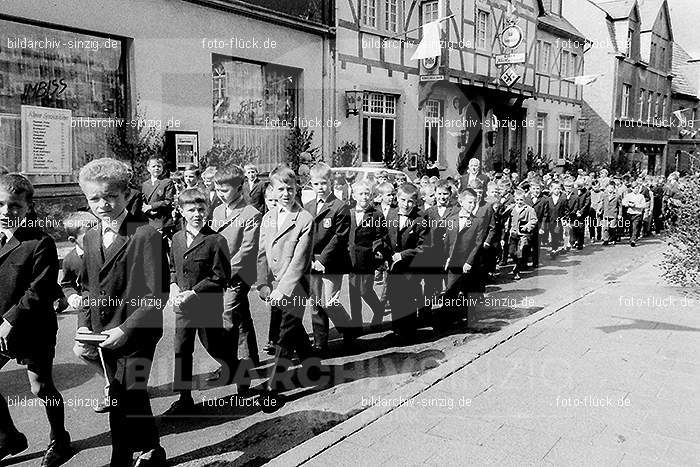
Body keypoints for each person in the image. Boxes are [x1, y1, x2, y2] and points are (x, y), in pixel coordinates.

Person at [77, 158, 168, 466]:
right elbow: (90, 288)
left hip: (137, 331)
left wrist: (125, 330)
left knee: (120, 395)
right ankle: (152, 449)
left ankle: (121, 458)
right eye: (95, 199)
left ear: (127, 195)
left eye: (111, 197)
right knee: (131, 394)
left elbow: (158, 295)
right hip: (104, 331)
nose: (103, 204)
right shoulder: (90, 237)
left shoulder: (145, 234)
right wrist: (83, 331)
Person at [0, 174, 72, 467]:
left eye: (15, 205)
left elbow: (39, 288)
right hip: (0, 326)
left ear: (28, 207)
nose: (6, 211)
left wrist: (10, 320)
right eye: (1, 204)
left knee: (40, 387)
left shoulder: (40, 242)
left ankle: (60, 439)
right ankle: (9, 437)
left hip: (31, 327)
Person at [167, 188, 234, 415]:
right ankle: (184, 397)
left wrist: (193, 293)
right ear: (181, 211)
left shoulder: (215, 240)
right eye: (191, 210)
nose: (197, 214)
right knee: (181, 349)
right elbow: (174, 268)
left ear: (207, 210)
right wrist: (174, 286)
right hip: (183, 307)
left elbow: (221, 277)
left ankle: (234, 366)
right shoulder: (176, 238)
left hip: (207, 305)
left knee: (214, 344)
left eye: (201, 209)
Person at [256, 165, 316, 399]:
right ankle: (312, 367)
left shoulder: (304, 219)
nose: (286, 194)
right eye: (280, 189)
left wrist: (283, 289)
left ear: (296, 189)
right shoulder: (269, 217)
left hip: (295, 287)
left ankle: (274, 387)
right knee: (294, 330)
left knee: (284, 336)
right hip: (274, 288)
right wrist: (263, 284)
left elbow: (300, 261)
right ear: (272, 190)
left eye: (290, 189)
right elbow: (262, 253)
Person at [211, 165, 262, 380]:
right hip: (219, 274)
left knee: (227, 316)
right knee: (241, 318)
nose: (220, 194)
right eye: (217, 190)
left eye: (225, 190)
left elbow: (247, 250)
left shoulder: (251, 213)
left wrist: (224, 272)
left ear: (240, 188)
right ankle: (249, 360)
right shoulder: (217, 211)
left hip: (237, 275)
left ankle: (233, 365)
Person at [63, 212, 112, 414]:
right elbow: (66, 283)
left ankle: (113, 390)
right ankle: (113, 381)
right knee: (81, 350)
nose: (96, 235)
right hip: (87, 313)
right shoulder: (71, 259)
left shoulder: (106, 250)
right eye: (89, 233)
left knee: (107, 350)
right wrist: (70, 295)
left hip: (109, 310)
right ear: (73, 240)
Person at [304, 163, 354, 352]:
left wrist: (322, 260)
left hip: (331, 261)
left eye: (324, 183)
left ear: (331, 182)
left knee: (330, 302)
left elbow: (339, 237)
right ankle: (320, 342)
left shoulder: (340, 207)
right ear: (311, 184)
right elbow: (305, 235)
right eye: (316, 184)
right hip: (312, 260)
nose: (320, 188)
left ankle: (348, 329)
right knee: (316, 303)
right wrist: (310, 259)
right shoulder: (308, 207)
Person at [384, 183, 428, 341]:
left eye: (410, 201)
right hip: (393, 266)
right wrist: (385, 255)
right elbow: (385, 238)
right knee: (395, 296)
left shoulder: (420, 219)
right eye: (403, 200)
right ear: (397, 198)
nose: (406, 204)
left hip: (411, 266)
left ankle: (409, 332)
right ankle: (397, 329)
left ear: (415, 202)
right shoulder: (391, 214)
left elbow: (424, 247)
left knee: (409, 298)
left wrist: (403, 255)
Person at [347, 180, 389, 332]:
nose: (364, 197)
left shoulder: (376, 214)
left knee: (365, 290)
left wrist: (378, 253)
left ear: (371, 196)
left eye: (367, 194)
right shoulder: (349, 213)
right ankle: (356, 323)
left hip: (368, 258)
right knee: (353, 291)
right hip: (351, 258)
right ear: (354, 195)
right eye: (361, 194)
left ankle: (378, 311)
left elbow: (381, 236)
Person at [443, 188, 481, 328]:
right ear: (461, 201)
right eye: (470, 202)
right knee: (450, 289)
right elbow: (447, 241)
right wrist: (446, 258)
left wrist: (469, 262)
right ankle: (449, 318)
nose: (472, 205)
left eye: (474, 203)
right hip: (453, 261)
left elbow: (477, 244)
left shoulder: (477, 222)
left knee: (467, 290)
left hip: (467, 262)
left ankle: (470, 316)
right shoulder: (452, 219)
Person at [260, 184, 282, 355]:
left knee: (281, 309)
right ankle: (274, 340)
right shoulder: (266, 219)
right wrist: (262, 282)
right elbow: (261, 252)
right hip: (269, 272)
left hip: (285, 273)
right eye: (270, 200)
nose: (273, 203)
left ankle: (274, 340)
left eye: (276, 200)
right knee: (275, 308)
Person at [507, 189, 537, 280]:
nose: (519, 202)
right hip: (513, 234)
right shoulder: (511, 208)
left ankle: (517, 271)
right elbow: (507, 219)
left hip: (523, 235)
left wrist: (527, 226)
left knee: (520, 252)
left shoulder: (529, 209)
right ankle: (516, 263)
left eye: (521, 200)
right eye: (517, 200)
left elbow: (534, 220)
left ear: (524, 200)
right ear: (515, 199)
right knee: (511, 252)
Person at [141, 157, 175, 234]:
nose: (156, 168)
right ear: (148, 169)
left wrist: (151, 206)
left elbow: (168, 201)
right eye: (153, 166)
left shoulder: (166, 182)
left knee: (161, 243)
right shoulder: (145, 184)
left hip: (162, 219)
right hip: (149, 218)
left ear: (162, 168)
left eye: (159, 166)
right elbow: (143, 200)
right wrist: (146, 210)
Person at [524, 182, 550, 268]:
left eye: (538, 189)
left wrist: (542, 227)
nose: (536, 191)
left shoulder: (544, 200)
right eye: (534, 189)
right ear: (530, 189)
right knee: (526, 243)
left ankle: (536, 262)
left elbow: (545, 215)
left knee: (536, 244)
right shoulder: (525, 199)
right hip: (527, 224)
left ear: (541, 189)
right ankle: (525, 261)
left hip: (538, 225)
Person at [622, 182, 647, 247]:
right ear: (632, 189)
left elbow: (644, 205)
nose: (636, 190)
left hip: (637, 213)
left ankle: (633, 239)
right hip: (630, 213)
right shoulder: (628, 195)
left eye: (637, 188)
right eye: (635, 188)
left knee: (635, 226)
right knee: (630, 226)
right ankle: (631, 237)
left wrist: (636, 205)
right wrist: (628, 204)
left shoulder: (641, 196)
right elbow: (623, 202)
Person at [547, 182, 568, 258]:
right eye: (555, 189)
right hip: (550, 220)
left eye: (558, 189)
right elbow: (546, 210)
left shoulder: (563, 199)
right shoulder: (548, 199)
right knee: (552, 234)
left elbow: (566, 210)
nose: (557, 190)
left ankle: (554, 249)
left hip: (559, 220)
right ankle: (555, 247)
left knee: (556, 234)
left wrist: (565, 218)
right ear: (551, 189)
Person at [600, 181, 621, 246]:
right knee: (605, 228)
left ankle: (613, 238)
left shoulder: (617, 196)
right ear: (606, 188)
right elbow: (602, 204)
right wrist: (600, 210)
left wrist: (620, 214)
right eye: (609, 188)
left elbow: (620, 206)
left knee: (612, 228)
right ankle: (605, 240)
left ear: (614, 189)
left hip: (613, 214)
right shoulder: (604, 195)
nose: (610, 189)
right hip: (606, 214)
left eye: (612, 188)